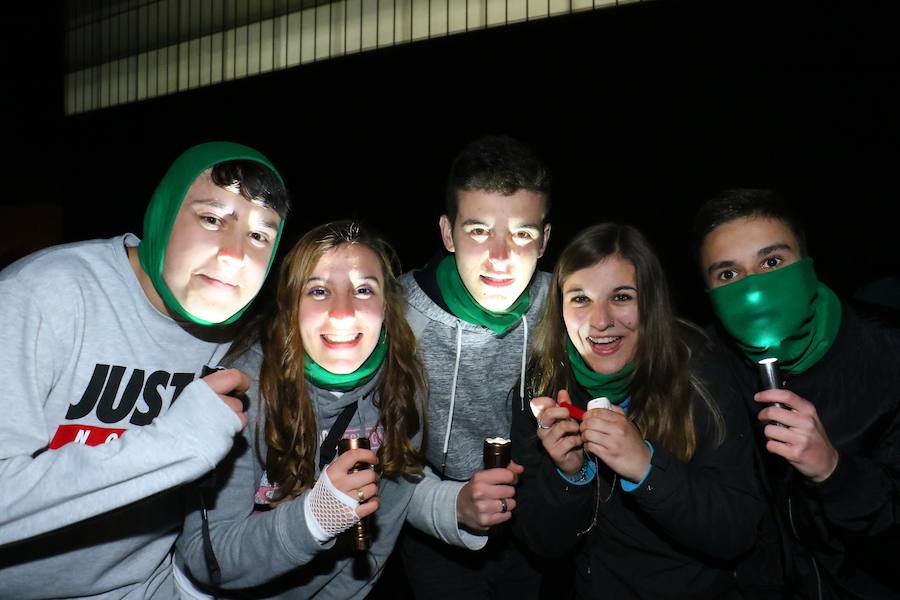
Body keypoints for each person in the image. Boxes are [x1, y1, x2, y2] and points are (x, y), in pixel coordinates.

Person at [0, 141, 290, 599]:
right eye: (212, 219)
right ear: (164, 213)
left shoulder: (244, 342)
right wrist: (174, 444)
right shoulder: (42, 295)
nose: (235, 255)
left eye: (259, 236)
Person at [175, 220, 426, 599]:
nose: (342, 313)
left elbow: (378, 536)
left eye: (362, 289)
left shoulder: (404, 388)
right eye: (319, 290)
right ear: (292, 304)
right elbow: (206, 558)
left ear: (387, 306)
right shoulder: (244, 390)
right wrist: (316, 516)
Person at [511, 223, 762, 599]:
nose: (600, 321)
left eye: (622, 297)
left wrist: (646, 468)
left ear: (651, 302)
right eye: (580, 298)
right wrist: (570, 476)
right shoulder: (541, 385)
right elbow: (541, 543)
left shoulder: (700, 372)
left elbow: (737, 532)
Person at [693, 188, 900, 598]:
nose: (753, 291)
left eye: (772, 262)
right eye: (729, 275)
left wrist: (834, 471)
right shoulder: (705, 366)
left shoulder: (889, 356)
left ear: (806, 266)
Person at [400, 134, 552, 599]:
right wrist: (450, 506)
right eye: (479, 230)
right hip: (431, 523)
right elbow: (382, 451)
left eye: (522, 233)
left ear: (544, 240)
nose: (501, 257)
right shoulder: (396, 316)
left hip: (535, 522)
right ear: (448, 233)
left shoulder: (566, 304)